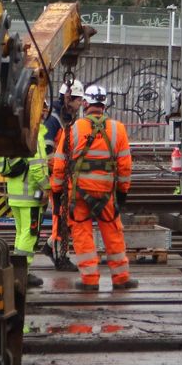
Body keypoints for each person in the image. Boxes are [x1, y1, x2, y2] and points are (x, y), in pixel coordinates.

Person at [51, 84, 137, 291]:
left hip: (78, 193)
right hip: (107, 193)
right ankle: (121, 278)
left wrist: (56, 193)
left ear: (86, 103)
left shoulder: (73, 129)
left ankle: (90, 280)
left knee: (82, 233)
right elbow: (125, 166)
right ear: (104, 104)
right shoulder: (118, 129)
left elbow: (60, 165)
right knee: (113, 232)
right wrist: (122, 192)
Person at [0, 100, 51, 288]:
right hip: (30, 195)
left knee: (21, 233)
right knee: (30, 233)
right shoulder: (35, 134)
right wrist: (46, 187)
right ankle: (22, 274)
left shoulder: (18, 133)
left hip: (16, 194)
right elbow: (37, 167)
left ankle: (17, 270)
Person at [41, 79, 85, 272]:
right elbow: (47, 150)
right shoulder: (54, 119)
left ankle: (51, 246)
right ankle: (60, 256)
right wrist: (58, 171)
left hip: (63, 176)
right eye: (78, 100)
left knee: (65, 216)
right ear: (68, 97)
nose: (80, 104)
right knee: (61, 217)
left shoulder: (66, 117)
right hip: (57, 176)